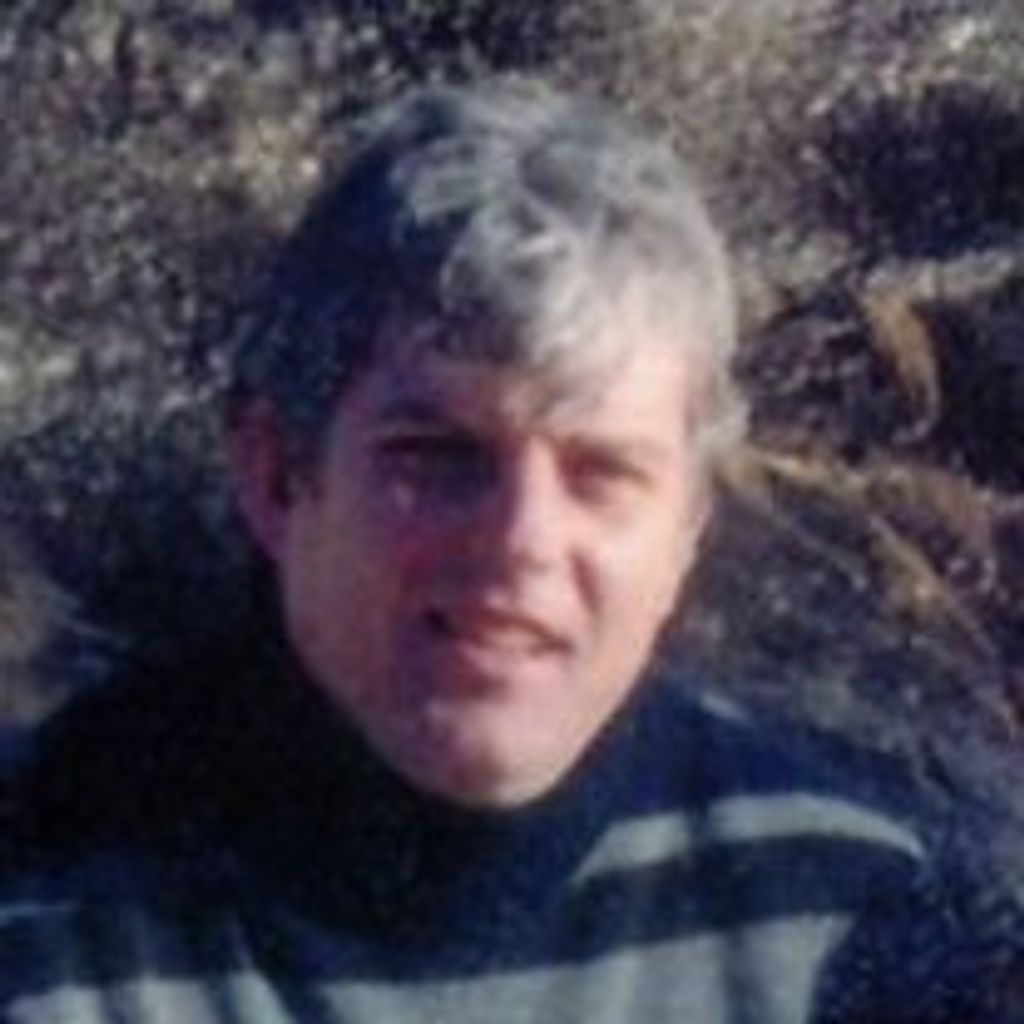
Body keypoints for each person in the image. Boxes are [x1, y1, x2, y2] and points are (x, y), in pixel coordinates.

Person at [3, 77, 1020, 1022]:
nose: (522, 542)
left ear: (687, 530)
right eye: (439, 454)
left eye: (602, 472)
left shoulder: (872, 930)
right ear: (275, 476)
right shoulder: (38, 915)